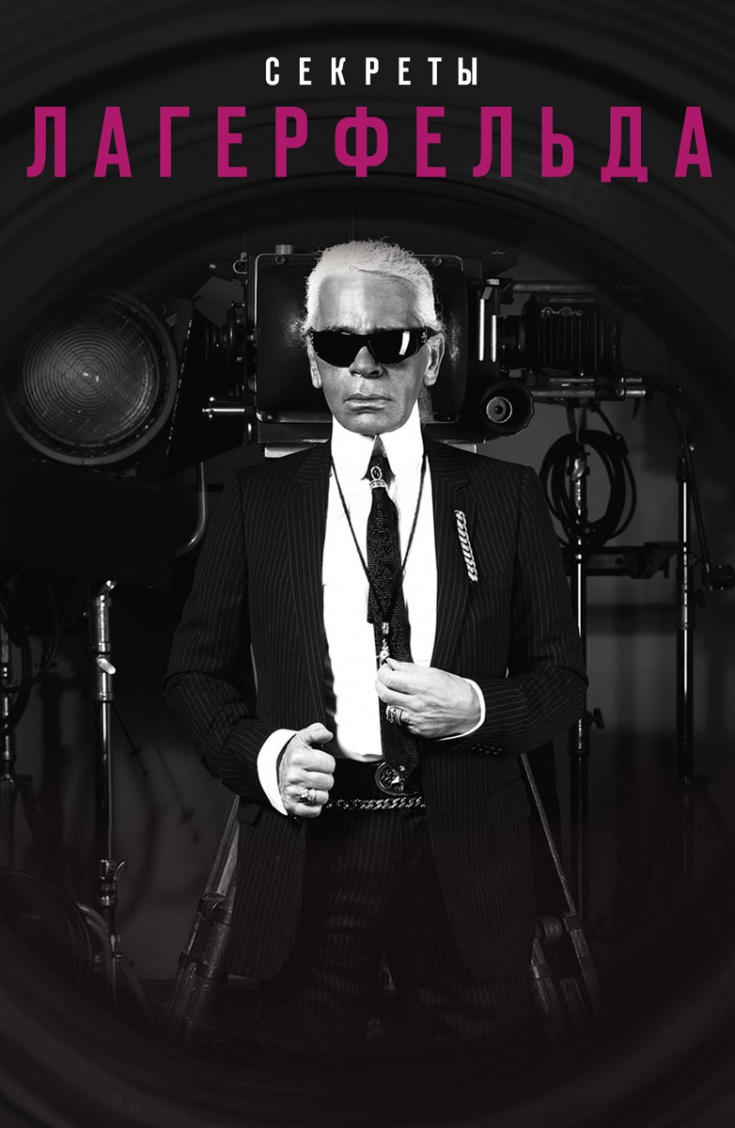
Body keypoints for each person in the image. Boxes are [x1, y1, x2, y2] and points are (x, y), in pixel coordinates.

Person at [163, 239, 586, 1060]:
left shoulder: (504, 497)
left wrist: (477, 708)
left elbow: (561, 680)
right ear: (312, 361)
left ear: (432, 355)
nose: (363, 366)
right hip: (314, 855)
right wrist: (265, 755)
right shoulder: (256, 502)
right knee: (302, 1091)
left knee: (483, 1092)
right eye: (336, 344)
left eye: (389, 343)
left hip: (464, 856)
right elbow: (192, 675)